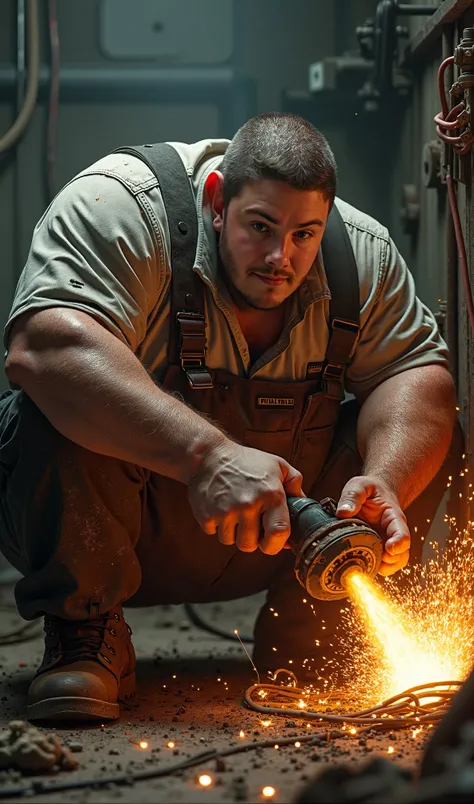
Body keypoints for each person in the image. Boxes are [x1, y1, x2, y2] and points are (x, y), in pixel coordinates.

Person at [0, 112, 458, 723]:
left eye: (304, 234)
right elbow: (45, 349)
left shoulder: (360, 252)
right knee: (54, 408)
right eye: (260, 227)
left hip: (276, 547)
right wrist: (207, 456)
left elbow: (419, 375)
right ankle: (85, 634)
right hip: (122, 530)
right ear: (218, 200)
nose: (280, 257)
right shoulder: (121, 209)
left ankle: (316, 636)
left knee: (434, 440)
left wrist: (389, 480)